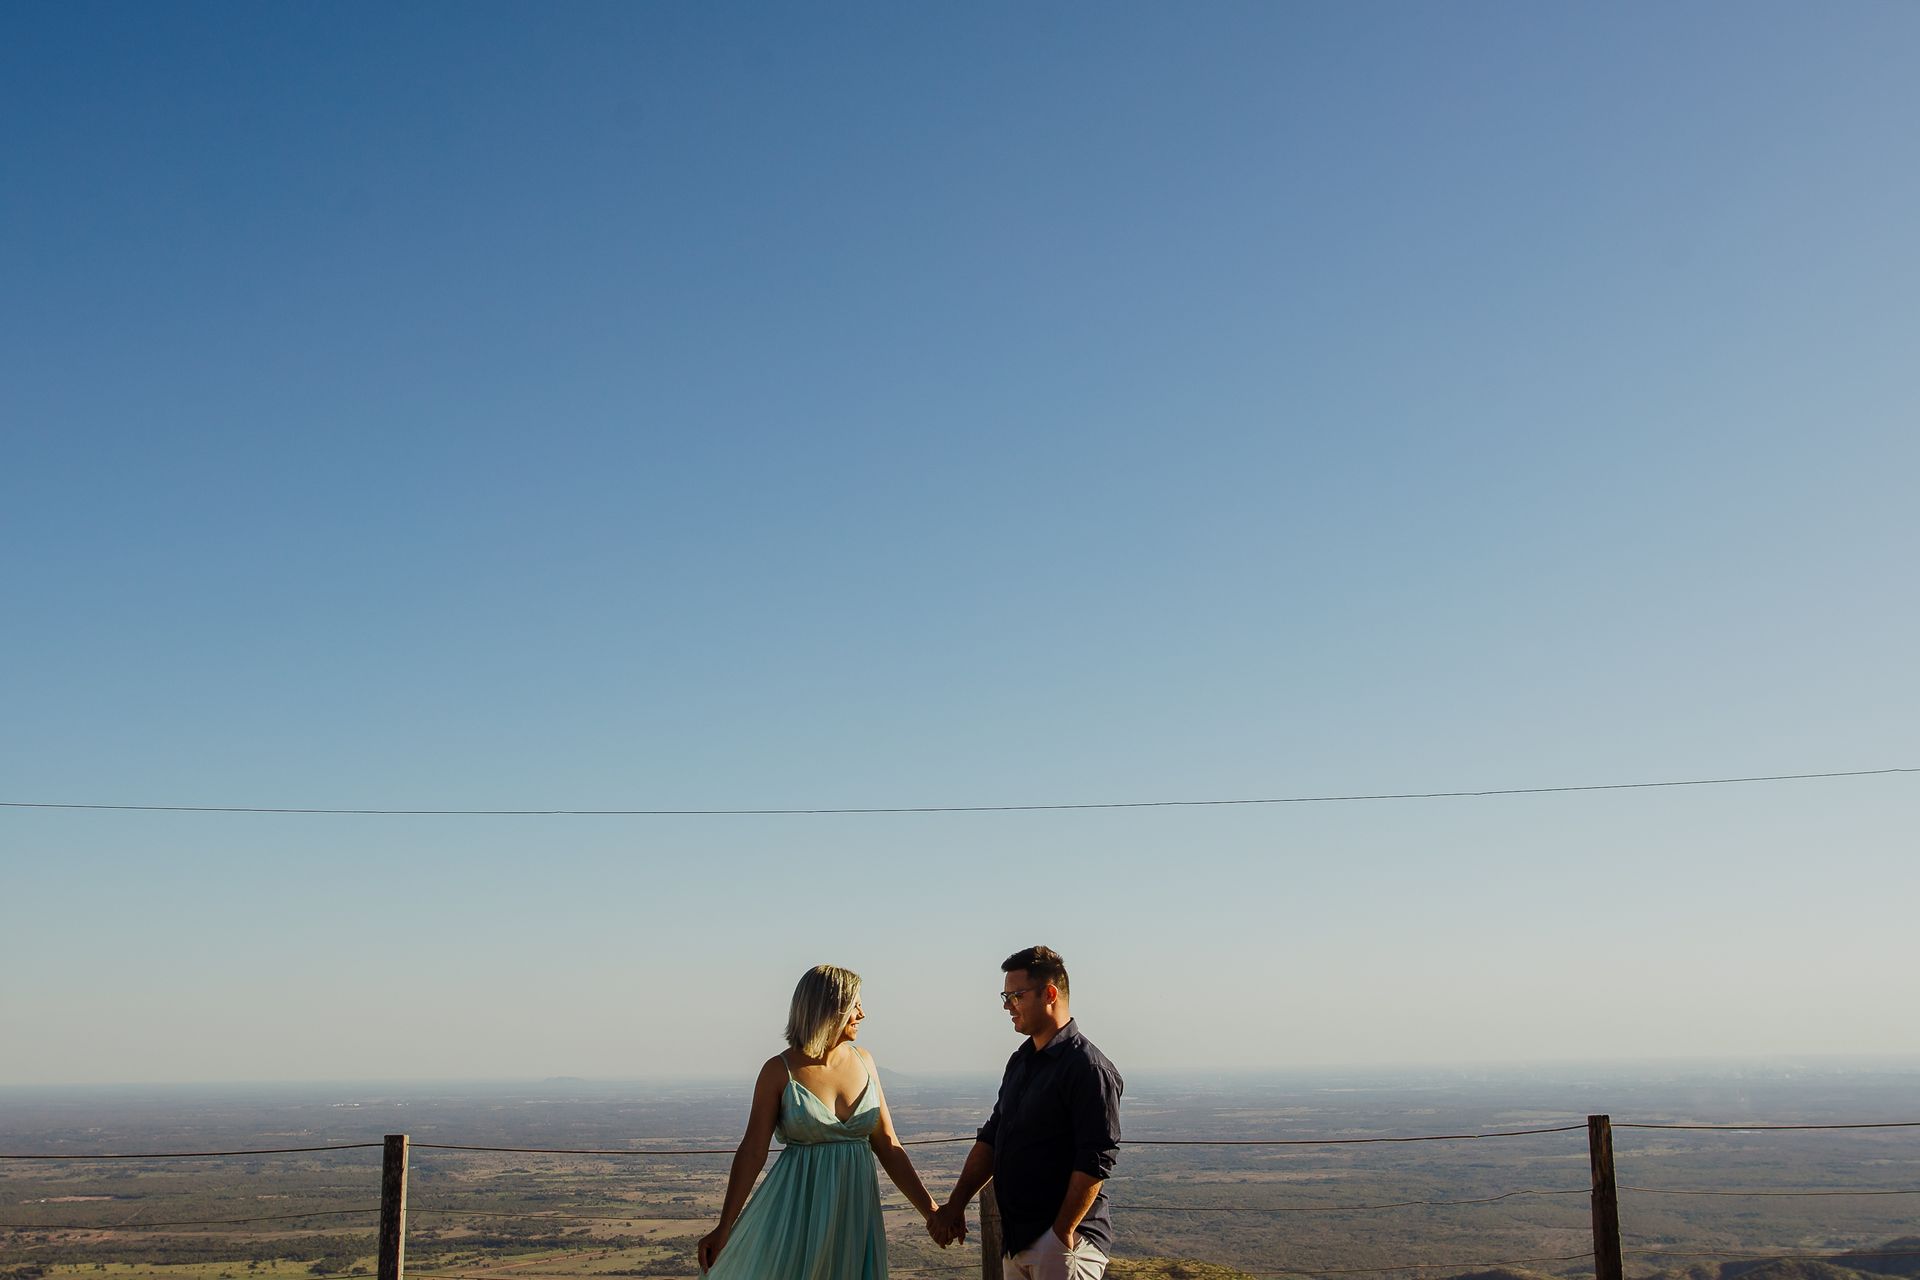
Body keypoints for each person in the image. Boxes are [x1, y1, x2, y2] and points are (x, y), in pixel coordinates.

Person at [697, 964, 954, 1279]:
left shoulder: (865, 1062)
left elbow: (887, 1144)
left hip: (855, 1213)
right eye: (855, 1005)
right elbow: (752, 1151)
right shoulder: (778, 1071)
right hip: (796, 1210)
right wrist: (725, 1227)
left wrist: (932, 1212)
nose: (862, 1014)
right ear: (830, 1010)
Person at [931, 945, 1124, 1280]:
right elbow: (992, 1139)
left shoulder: (1088, 1068)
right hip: (1018, 1243)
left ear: (1049, 993)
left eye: (1016, 995)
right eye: (1004, 996)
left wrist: (1060, 1235)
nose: (1007, 1006)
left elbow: (1095, 1159)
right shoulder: (1020, 1063)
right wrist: (955, 1204)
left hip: (1066, 1244)